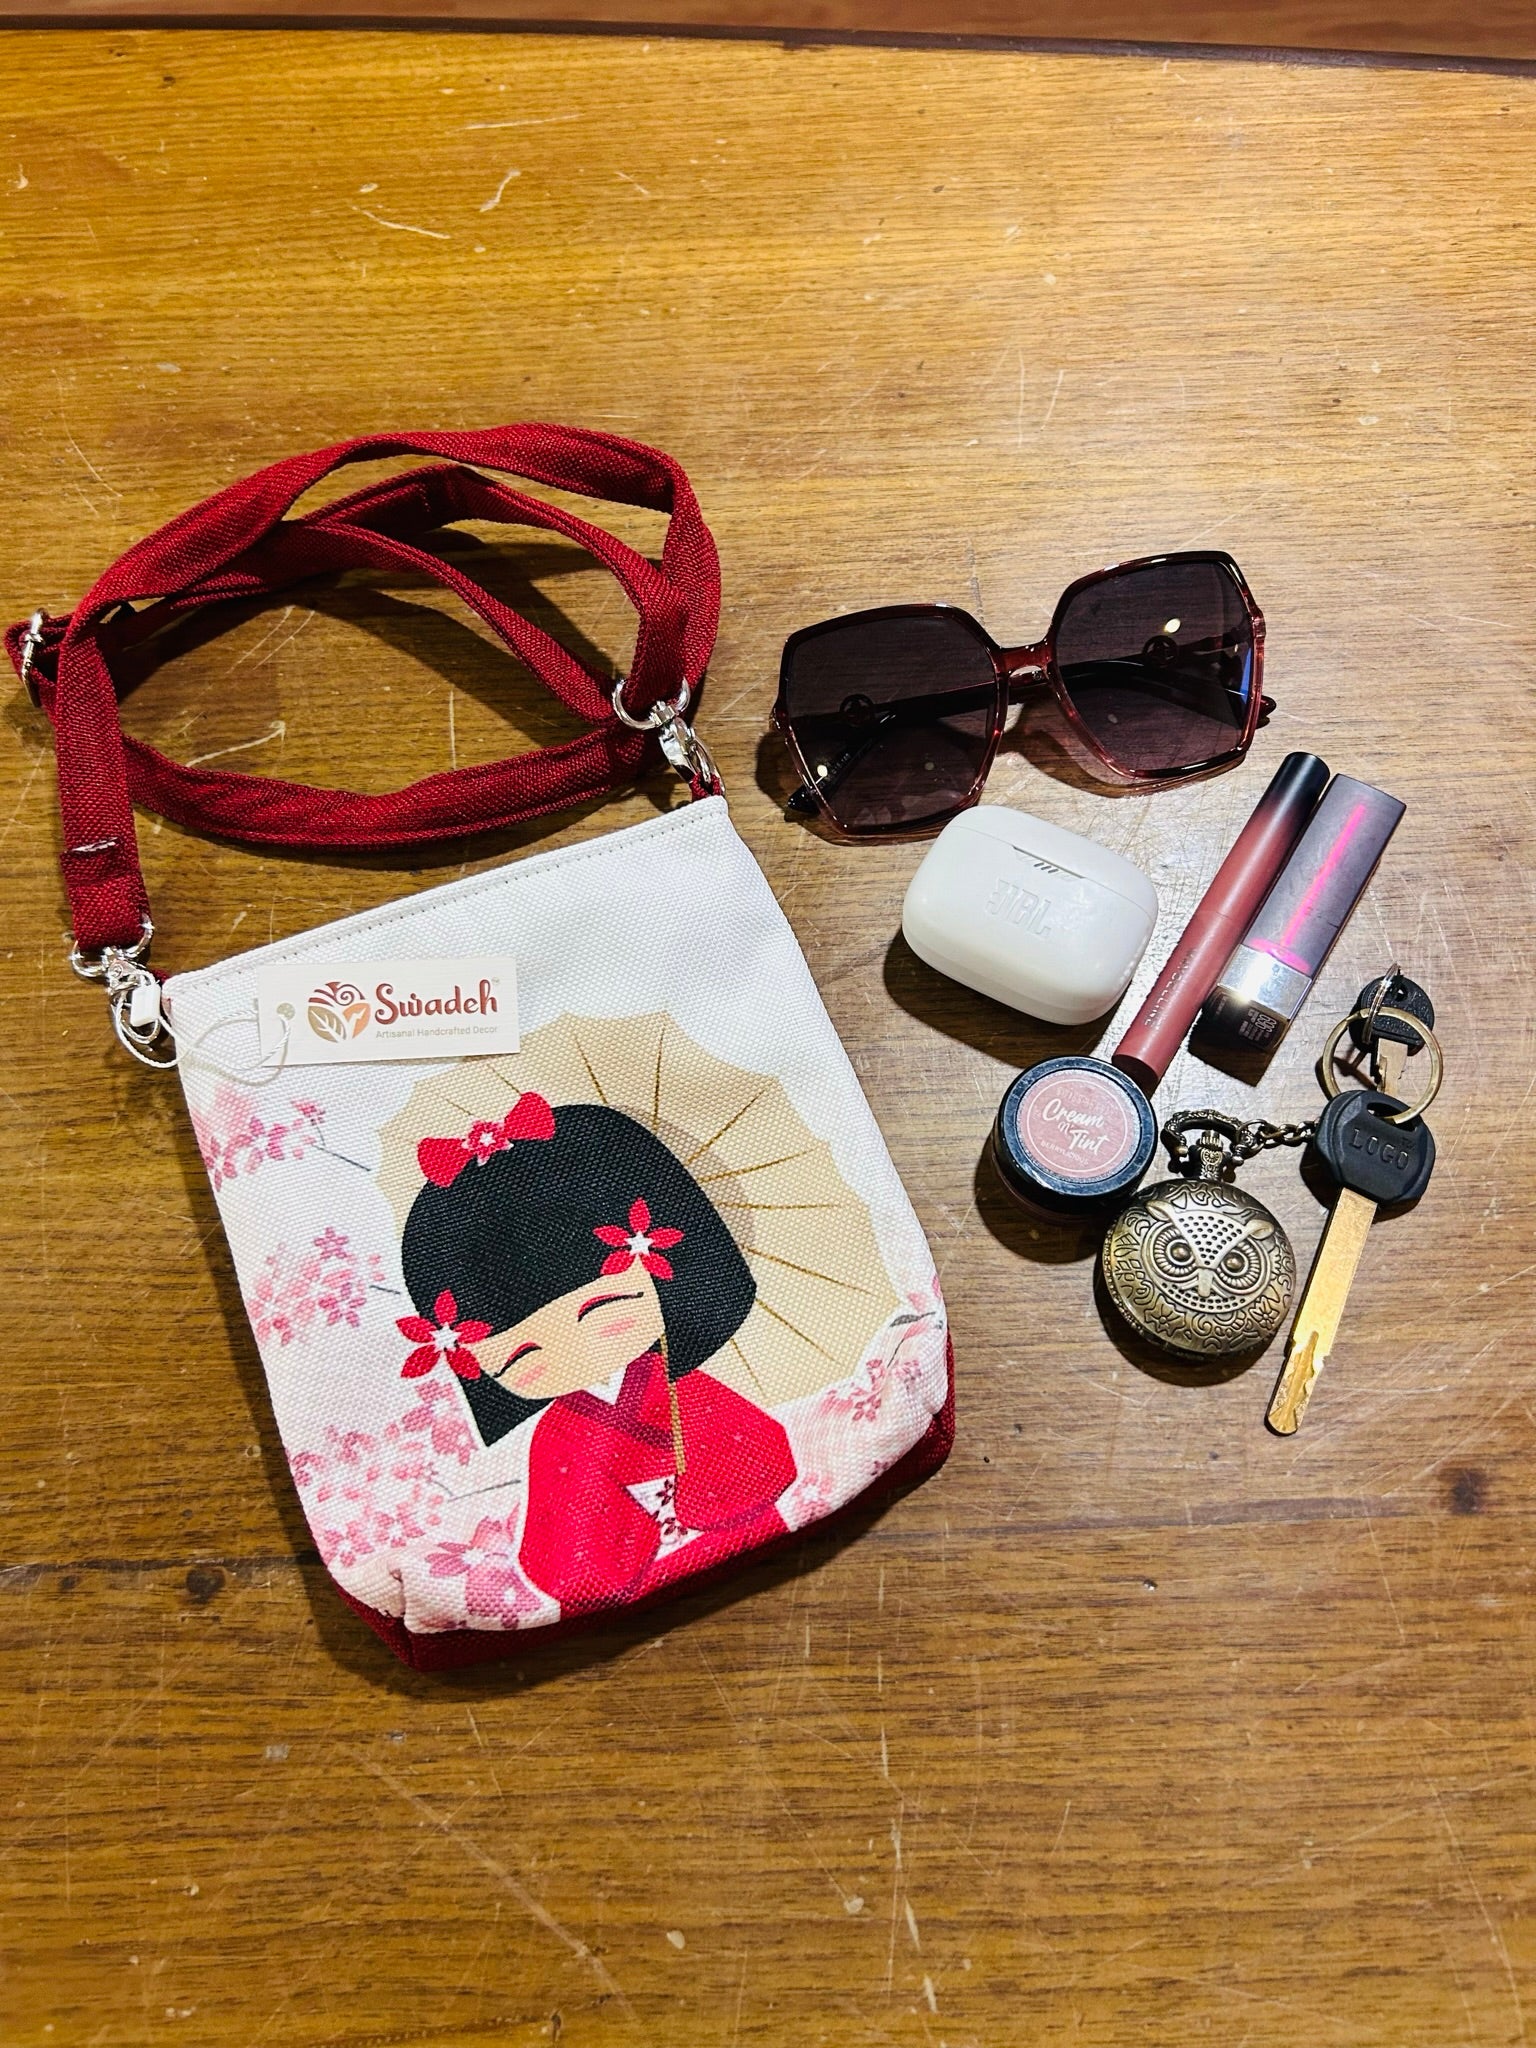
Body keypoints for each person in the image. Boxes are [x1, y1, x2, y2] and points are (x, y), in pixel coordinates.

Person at [396, 1092, 796, 1616]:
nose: (566, 1342)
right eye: (520, 1355)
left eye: (602, 1307)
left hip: (747, 1539)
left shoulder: (683, 1389)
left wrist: (692, 1495)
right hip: (632, 1591)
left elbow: (758, 1456)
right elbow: (567, 1560)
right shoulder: (557, 1438)